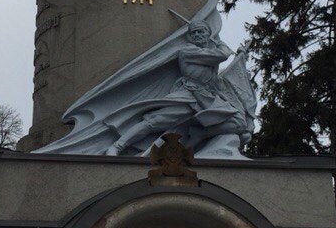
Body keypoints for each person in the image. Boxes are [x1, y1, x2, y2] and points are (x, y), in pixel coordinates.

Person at [105, 21, 252, 156]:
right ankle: (117, 146)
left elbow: (216, 77)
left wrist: (240, 55)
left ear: (208, 34)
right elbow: (222, 55)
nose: (197, 35)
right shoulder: (188, 51)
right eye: (193, 33)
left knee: (239, 123)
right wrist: (220, 43)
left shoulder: (208, 53)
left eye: (200, 31)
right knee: (154, 122)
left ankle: (201, 134)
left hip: (208, 98)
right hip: (189, 96)